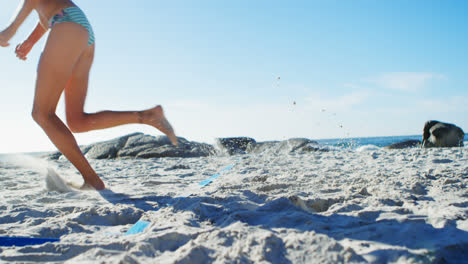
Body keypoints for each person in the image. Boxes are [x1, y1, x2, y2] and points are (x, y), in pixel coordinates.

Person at [0, 0, 178, 190]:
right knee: (78, 122)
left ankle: (93, 181)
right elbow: (46, 9)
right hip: (77, 27)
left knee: (42, 114)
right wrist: (30, 41)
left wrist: (10, 29)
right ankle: (146, 116)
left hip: (67, 25)